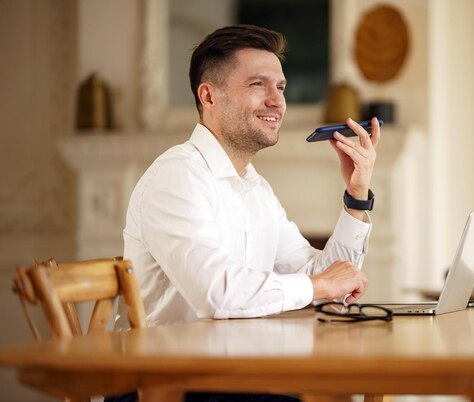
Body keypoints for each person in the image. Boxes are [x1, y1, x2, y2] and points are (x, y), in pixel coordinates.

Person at [106, 24, 380, 402]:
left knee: (339, 389)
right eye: (257, 85)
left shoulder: (254, 186)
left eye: (280, 87)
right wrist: (320, 286)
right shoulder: (177, 176)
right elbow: (216, 293)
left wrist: (356, 194)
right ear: (209, 95)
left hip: (228, 378)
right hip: (162, 386)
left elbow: (323, 278)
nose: (276, 101)